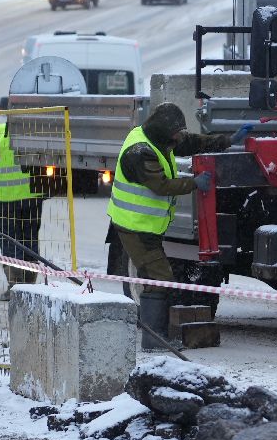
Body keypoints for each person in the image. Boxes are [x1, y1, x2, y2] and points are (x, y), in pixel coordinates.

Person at [106, 102, 247, 349]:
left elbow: (191, 142)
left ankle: (155, 336)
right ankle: (154, 338)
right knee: (159, 277)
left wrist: (227, 140)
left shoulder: (159, 139)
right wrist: (195, 183)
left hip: (146, 226)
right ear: (164, 131)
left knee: (155, 277)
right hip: (134, 226)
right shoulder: (140, 152)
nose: (179, 137)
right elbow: (161, 185)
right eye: (176, 132)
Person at [0, 105, 45, 295]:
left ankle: (15, 285)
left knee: (9, 240)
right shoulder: (37, 132)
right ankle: (30, 287)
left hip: (6, 201)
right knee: (30, 239)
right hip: (32, 197)